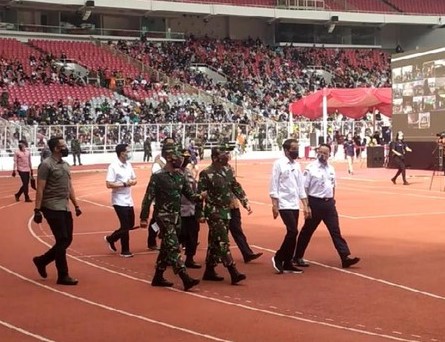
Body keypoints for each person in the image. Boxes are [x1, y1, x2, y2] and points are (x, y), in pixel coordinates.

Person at [140, 144, 203, 291]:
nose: (181, 160)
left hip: (176, 217)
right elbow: (148, 197)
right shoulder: (158, 177)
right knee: (174, 247)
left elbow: (190, 195)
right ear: (169, 158)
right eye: (178, 157)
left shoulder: (180, 176)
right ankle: (185, 278)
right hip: (163, 217)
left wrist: (202, 196)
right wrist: (144, 217)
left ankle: (158, 276)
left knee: (166, 247)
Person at [293, 143, 360, 269]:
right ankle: (297, 256)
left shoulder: (331, 169)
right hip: (315, 202)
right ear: (317, 152)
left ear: (329, 154)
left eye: (325, 153)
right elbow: (304, 188)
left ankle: (345, 257)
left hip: (328, 204)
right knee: (307, 231)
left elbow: (333, 185)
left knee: (335, 231)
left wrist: (332, 199)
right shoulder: (310, 168)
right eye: (321, 152)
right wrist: (306, 206)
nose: (322, 155)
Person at [32, 136, 82, 285]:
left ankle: (41, 261)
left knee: (67, 239)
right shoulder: (46, 165)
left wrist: (76, 205)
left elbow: (69, 187)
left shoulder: (66, 165)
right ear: (56, 149)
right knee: (62, 240)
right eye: (63, 146)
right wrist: (37, 210)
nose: (66, 147)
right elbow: (40, 188)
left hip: (65, 206)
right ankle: (63, 275)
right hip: (51, 206)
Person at [198, 145, 251, 285]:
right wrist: (200, 214)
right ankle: (233, 271)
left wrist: (245, 201)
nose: (226, 156)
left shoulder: (227, 170)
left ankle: (209, 270)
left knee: (215, 241)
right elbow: (199, 195)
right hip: (213, 211)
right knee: (223, 241)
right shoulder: (206, 173)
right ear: (215, 157)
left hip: (226, 211)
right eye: (223, 154)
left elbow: (235, 186)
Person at [269, 138, 310, 274]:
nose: (296, 151)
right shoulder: (279, 164)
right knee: (292, 231)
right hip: (283, 203)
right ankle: (279, 257)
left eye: (297, 148)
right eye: (293, 149)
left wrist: (305, 205)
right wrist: (274, 204)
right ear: (286, 150)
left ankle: (288, 262)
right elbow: (274, 184)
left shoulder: (297, 165)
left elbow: (300, 186)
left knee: (293, 232)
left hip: (294, 203)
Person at [104, 144, 137, 258]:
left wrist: (132, 182)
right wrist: (123, 184)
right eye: (128, 151)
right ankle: (125, 250)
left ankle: (111, 238)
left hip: (129, 199)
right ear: (122, 153)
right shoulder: (113, 166)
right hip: (118, 200)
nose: (130, 153)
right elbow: (109, 184)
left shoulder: (128, 165)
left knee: (130, 224)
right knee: (125, 225)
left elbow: (134, 179)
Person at [147, 137, 175, 250]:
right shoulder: (158, 162)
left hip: (172, 195)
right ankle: (151, 239)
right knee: (156, 220)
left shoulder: (174, 160)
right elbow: (158, 177)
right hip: (161, 196)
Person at [178, 149, 202, 269]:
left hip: (191, 209)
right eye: (184, 157)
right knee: (178, 236)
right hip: (179, 210)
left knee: (193, 235)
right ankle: (172, 258)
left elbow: (194, 187)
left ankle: (190, 258)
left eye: (187, 157)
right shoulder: (173, 173)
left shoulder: (188, 172)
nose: (186, 159)